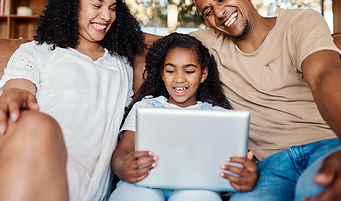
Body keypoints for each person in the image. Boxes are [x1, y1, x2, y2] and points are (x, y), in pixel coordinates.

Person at [190, 0, 341, 201]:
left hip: (327, 147)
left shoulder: (300, 22)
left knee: (316, 189)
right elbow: (149, 43)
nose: (219, 13)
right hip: (270, 166)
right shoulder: (207, 44)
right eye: (208, 11)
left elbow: (323, 76)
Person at [0, 0, 145, 201]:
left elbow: (160, 43)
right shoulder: (38, 51)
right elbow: (19, 86)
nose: (106, 16)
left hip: (77, 184)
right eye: (97, 5)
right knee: (38, 125)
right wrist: (13, 95)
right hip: (15, 150)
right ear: (73, 6)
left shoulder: (120, 67)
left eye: (112, 8)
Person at [108, 33, 258, 201]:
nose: (179, 79)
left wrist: (247, 172)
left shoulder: (219, 116)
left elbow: (239, 161)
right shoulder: (145, 108)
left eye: (189, 71)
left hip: (197, 187)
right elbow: (123, 151)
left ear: (203, 74)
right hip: (143, 184)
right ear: (162, 74)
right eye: (171, 70)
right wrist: (123, 167)